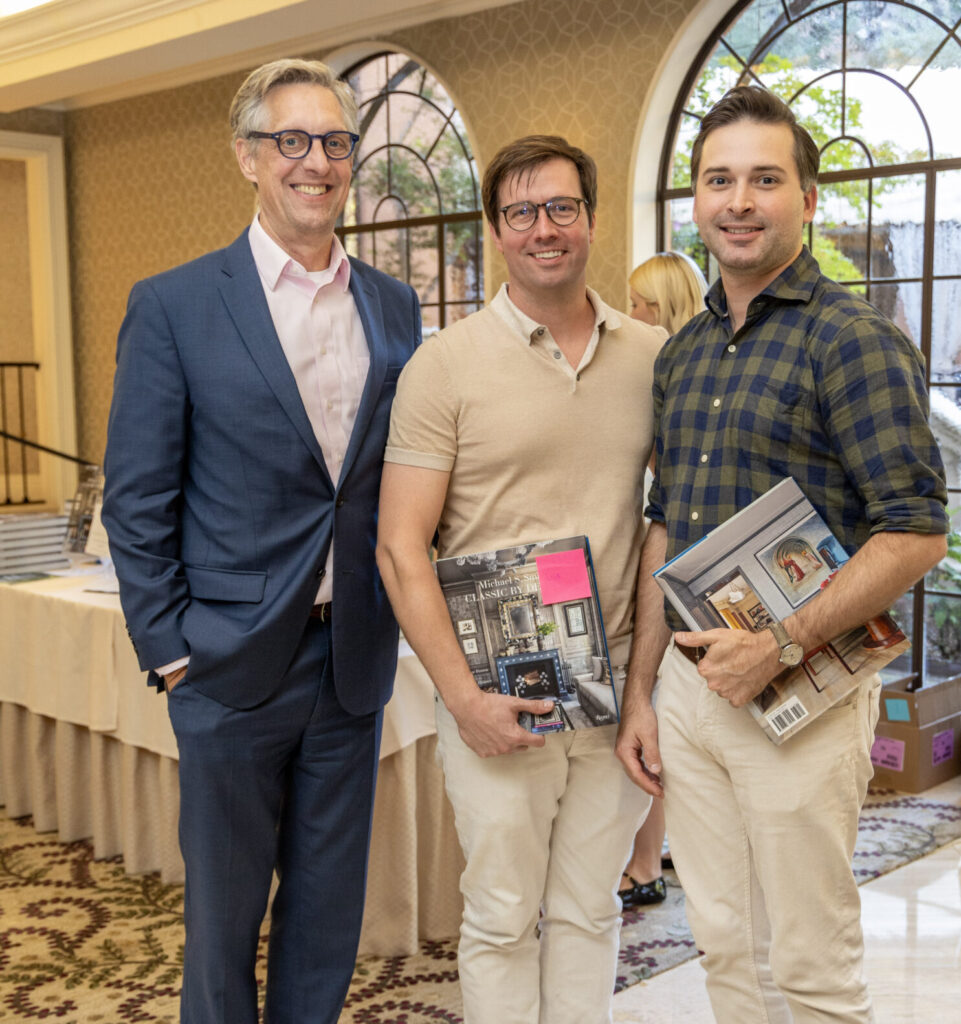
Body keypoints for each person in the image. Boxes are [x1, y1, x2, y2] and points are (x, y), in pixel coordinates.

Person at [615, 85, 948, 1023]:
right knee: (725, 946)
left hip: (801, 691)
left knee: (807, 963)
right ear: (695, 200)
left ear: (806, 197)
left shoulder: (853, 340)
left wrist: (783, 641)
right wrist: (644, 692)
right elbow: (663, 528)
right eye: (719, 180)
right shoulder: (680, 355)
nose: (739, 200)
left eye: (765, 179)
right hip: (691, 688)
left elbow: (916, 529)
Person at [101, 58, 421, 1024]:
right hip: (228, 667)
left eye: (334, 143)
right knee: (225, 920)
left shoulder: (394, 306)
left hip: (352, 662)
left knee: (328, 920)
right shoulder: (175, 305)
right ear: (247, 156)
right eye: (292, 141)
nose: (315, 162)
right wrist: (168, 650)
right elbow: (136, 499)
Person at [376, 135, 665, 1024]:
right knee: (501, 918)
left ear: (589, 218)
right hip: (498, 698)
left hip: (614, 691)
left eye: (562, 208)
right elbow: (399, 546)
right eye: (521, 212)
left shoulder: (656, 357)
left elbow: (663, 528)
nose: (544, 229)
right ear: (496, 230)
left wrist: (646, 688)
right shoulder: (444, 365)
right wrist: (461, 700)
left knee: (589, 911)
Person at [619, 249, 708, 911]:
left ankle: (644, 862)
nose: (629, 315)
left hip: (671, 560)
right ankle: (652, 855)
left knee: (652, 717)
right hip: (659, 553)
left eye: (640, 304)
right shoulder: (675, 367)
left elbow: (661, 481)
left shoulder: (670, 374)